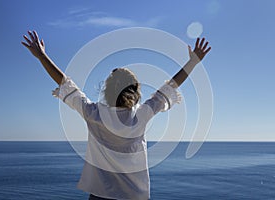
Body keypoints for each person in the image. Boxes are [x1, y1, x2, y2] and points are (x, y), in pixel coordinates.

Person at [22, 30, 211, 200]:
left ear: (107, 91)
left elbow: (66, 84)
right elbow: (171, 86)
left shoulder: (93, 113)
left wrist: (41, 56)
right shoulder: (142, 115)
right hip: (135, 196)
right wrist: (193, 61)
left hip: (100, 196)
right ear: (136, 93)